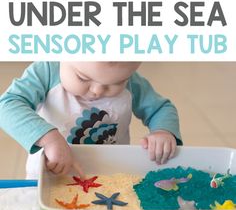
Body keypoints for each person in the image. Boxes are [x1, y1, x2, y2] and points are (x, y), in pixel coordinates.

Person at [0, 61, 182, 178]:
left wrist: (163, 131)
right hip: (51, 173)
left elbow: (162, 108)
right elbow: (7, 105)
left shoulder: (132, 82)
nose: (97, 90)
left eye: (116, 83)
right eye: (83, 78)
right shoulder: (46, 71)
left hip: (109, 173)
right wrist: (48, 138)